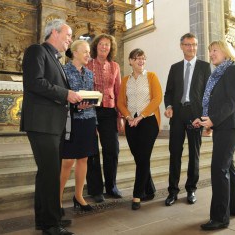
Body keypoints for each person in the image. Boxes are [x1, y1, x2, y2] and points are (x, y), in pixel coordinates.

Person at [20, 19, 82, 235]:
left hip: (52, 124)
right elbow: (34, 82)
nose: (70, 39)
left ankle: (45, 218)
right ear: (54, 32)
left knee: (47, 173)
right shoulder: (37, 51)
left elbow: (56, 90)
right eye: (68, 34)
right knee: (50, 173)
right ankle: (51, 224)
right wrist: (66, 94)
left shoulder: (56, 59)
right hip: (42, 123)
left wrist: (74, 99)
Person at [192, 40, 235, 230]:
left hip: (231, 126)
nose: (211, 54)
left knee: (219, 169)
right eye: (210, 51)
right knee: (228, 167)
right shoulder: (219, 74)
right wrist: (204, 119)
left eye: (215, 50)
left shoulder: (233, 70)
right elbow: (217, 103)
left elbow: (232, 102)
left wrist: (213, 120)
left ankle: (220, 218)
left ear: (225, 52)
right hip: (225, 125)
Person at [164, 33, 211, 206]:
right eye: (187, 44)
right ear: (181, 46)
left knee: (194, 154)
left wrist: (205, 118)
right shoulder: (175, 68)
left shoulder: (205, 67)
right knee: (174, 154)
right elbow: (168, 92)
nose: (191, 48)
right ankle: (172, 191)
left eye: (194, 45)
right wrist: (168, 107)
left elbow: (208, 95)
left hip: (195, 117)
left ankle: (191, 189)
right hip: (177, 116)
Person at [117, 48, 162, 210]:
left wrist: (141, 116)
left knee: (143, 157)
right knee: (140, 158)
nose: (141, 61)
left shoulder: (151, 76)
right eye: (137, 58)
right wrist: (129, 117)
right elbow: (120, 102)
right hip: (131, 123)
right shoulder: (125, 80)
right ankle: (149, 188)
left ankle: (137, 195)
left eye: (143, 58)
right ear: (130, 61)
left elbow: (157, 98)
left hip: (148, 121)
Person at [59, 40, 98, 214]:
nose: (88, 55)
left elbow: (90, 95)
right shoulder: (63, 71)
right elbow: (60, 97)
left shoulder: (89, 73)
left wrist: (91, 105)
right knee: (67, 160)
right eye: (85, 52)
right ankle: (57, 199)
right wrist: (75, 106)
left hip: (88, 119)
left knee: (84, 159)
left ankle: (79, 196)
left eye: (89, 52)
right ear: (74, 53)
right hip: (70, 120)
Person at [86, 33, 123, 203]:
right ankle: (95, 189)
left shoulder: (115, 66)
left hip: (109, 111)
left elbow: (119, 91)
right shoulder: (87, 64)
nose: (104, 47)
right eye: (101, 44)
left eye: (107, 44)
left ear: (111, 48)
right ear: (96, 46)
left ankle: (111, 186)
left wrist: (120, 115)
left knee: (112, 149)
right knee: (92, 151)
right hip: (90, 110)